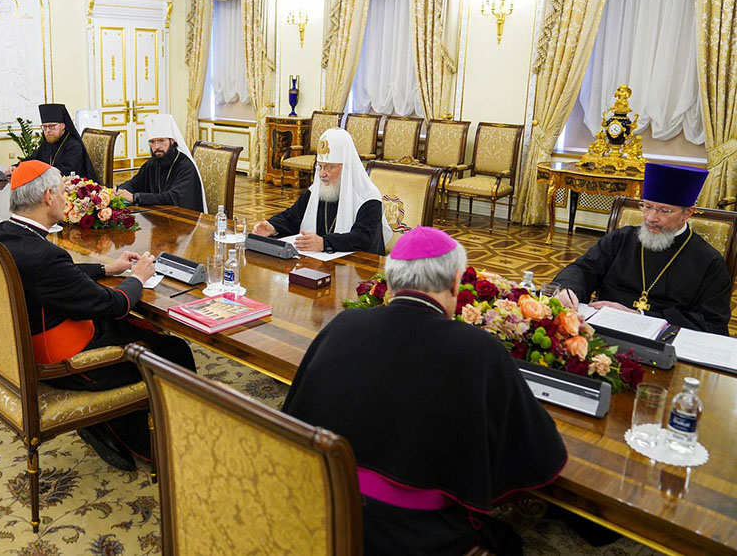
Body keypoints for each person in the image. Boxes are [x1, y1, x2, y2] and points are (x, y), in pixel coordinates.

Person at [283, 226, 567, 555]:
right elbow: (539, 452)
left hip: (323, 506)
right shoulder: (479, 349)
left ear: (390, 282)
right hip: (414, 537)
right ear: (454, 283)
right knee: (509, 543)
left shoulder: (344, 324)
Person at [0, 161, 196, 471]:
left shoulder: (1, 232)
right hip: (63, 360)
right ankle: (158, 445)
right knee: (173, 350)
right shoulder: (45, 255)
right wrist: (137, 277)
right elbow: (115, 303)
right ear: (47, 197)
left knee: (134, 327)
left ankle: (110, 425)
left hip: (27, 339)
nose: (65, 199)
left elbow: (54, 277)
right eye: (61, 193)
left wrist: (105, 269)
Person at [553, 163, 731, 334]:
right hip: (602, 331)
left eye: (664, 210)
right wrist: (568, 288)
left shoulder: (709, 261)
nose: (651, 217)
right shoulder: (621, 238)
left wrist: (641, 316)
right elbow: (583, 269)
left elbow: (712, 323)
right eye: (647, 206)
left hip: (666, 343)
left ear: (688, 213)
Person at [253, 128, 391, 255]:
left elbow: (364, 237)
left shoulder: (367, 197)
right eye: (320, 167)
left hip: (358, 269)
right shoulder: (316, 191)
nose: (322, 174)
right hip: (319, 264)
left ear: (346, 167)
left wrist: (325, 243)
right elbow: (292, 216)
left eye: (329, 167)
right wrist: (272, 226)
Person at [114, 114, 207, 213]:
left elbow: (173, 197)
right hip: (159, 216)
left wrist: (136, 197)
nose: (157, 147)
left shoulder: (186, 166)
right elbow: (134, 183)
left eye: (161, 141)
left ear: (172, 141)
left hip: (184, 219)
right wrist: (119, 190)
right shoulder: (152, 163)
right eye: (152, 142)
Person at [8, 104, 95, 179]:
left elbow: (65, 172)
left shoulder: (74, 146)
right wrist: (17, 166)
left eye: (52, 126)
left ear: (62, 126)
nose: (48, 130)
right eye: (44, 127)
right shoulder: (48, 142)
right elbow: (33, 158)